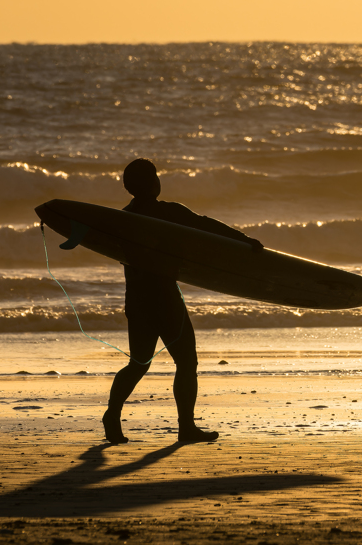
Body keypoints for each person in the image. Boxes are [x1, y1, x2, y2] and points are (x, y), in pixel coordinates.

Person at [102, 158, 263, 445]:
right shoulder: (169, 212)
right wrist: (243, 240)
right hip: (165, 298)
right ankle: (186, 427)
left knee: (139, 363)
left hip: (137, 300)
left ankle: (112, 415)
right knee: (187, 362)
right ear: (153, 183)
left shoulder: (122, 220)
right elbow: (205, 226)